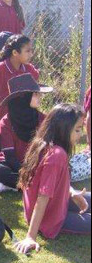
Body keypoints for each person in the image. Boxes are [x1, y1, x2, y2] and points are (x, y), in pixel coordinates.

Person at [15, 104, 90, 254]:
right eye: (77, 130)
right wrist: (31, 236)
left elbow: (54, 182)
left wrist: (71, 193)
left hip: (56, 202)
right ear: (63, 130)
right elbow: (43, 197)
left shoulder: (43, 143)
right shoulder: (56, 155)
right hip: (49, 218)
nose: (81, 134)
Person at [0, 74, 52, 193]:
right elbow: (10, 157)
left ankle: (21, 185)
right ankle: (35, 185)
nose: (40, 97)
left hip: (36, 164)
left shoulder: (43, 119)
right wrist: (26, 173)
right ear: (24, 97)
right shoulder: (6, 122)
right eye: (36, 94)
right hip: (13, 165)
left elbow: (47, 150)